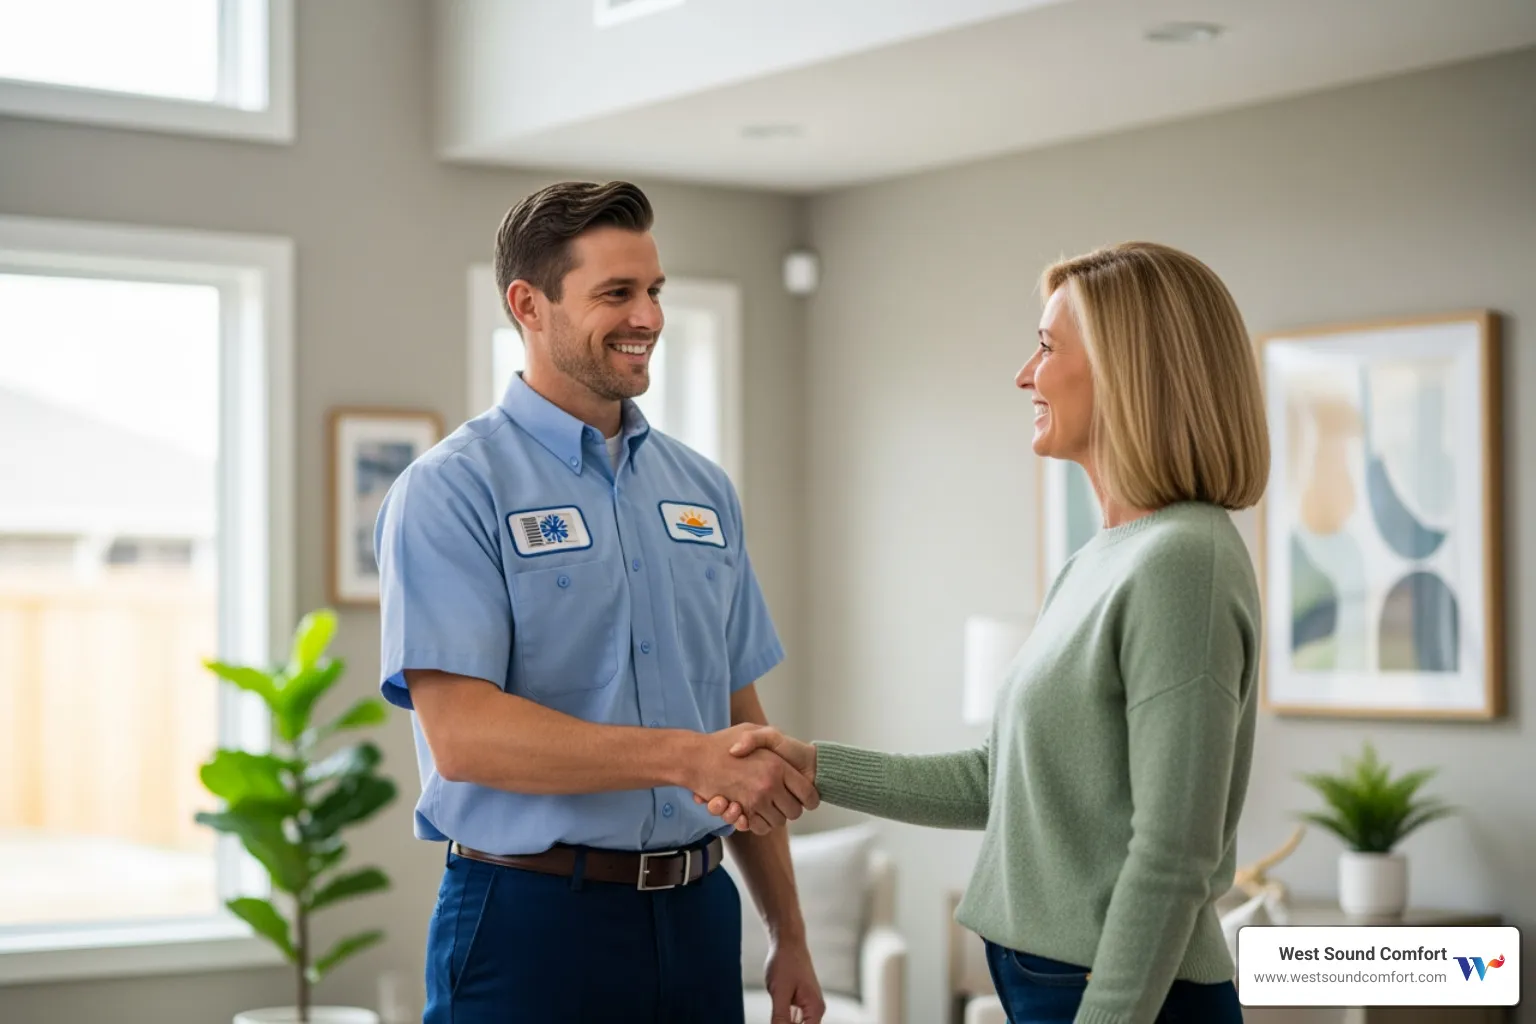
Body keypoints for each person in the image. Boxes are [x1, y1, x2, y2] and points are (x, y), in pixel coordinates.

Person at [705, 241, 1269, 1024]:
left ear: (1124, 369)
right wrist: (814, 767)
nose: (1024, 374)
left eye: (1045, 346)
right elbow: (1003, 779)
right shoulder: (1104, 560)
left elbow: (1174, 853)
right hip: (1053, 986)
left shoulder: (1185, 563)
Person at [375, 180, 825, 1024]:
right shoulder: (451, 491)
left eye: (654, 290)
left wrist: (787, 929)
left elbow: (737, 719)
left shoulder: (703, 490)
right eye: (615, 293)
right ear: (528, 304)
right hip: (531, 926)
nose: (647, 316)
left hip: (698, 919)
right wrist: (683, 759)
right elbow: (464, 737)